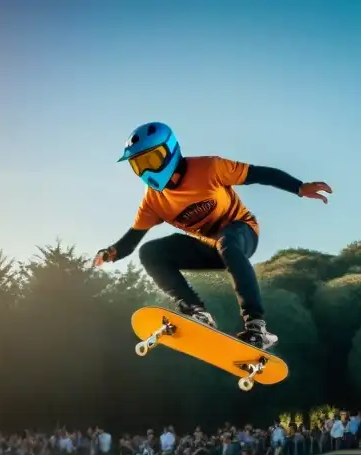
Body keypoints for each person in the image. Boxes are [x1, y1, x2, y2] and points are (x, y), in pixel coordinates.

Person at [92, 122, 332, 349]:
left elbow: (259, 174)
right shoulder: (153, 201)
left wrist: (299, 187)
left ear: (170, 152)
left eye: (151, 160)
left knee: (227, 243)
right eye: (138, 165)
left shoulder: (210, 168)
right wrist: (110, 253)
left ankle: (257, 327)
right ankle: (197, 311)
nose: (146, 170)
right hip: (209, 248)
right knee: (150, 252)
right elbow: (133, 239)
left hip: (242, 233)